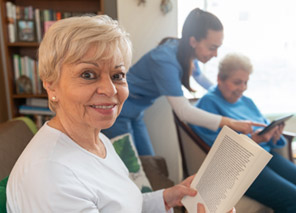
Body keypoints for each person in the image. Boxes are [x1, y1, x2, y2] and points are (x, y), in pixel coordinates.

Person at [5, 14, 238, 213]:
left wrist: (167, 197)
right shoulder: (50, 176)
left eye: (117, 75)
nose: (110, 90)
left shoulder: (100, 140)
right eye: (88, 74)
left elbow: (123, 205)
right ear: (51, 85)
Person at [102, 8, 264, 156]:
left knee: (150, 163)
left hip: (135, 112)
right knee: (132, 167)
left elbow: (203, 81)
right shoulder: (165, 59)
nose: (215, 54)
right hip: (118, 111)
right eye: (212, 47)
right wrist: (231, 122)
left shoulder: (187, 56)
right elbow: (183, 111)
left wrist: (232, 93)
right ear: (193, 42)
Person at [189, 53, 296, 212]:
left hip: (265, 156)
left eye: (246, 82)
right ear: (219, 79)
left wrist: (274, 135)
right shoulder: (207, 105)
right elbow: (222, 152)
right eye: (237, 82)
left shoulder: (247, 101)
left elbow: (267, 133)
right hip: (238, 167)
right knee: (293, 198)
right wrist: (255, 139)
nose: (242, 88)